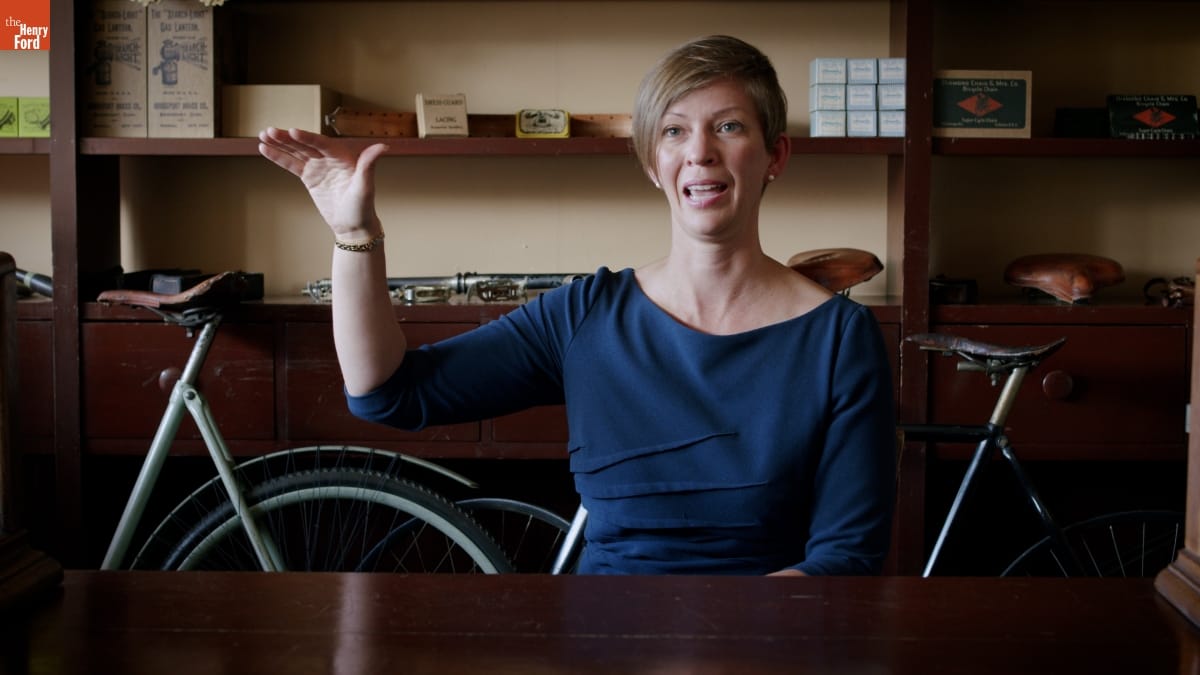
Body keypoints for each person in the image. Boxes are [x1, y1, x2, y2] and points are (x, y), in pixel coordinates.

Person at [258, 35, 896, 576]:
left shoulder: (841, 337)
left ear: (774, 155)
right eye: (674, 131)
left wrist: (709, 647)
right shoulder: (586, 315)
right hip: (606, 641)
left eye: (728, 127)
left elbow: (847, 557)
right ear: (652, 162)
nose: (699, 151)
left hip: (767, 644)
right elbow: (387, 393)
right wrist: (354, 233)